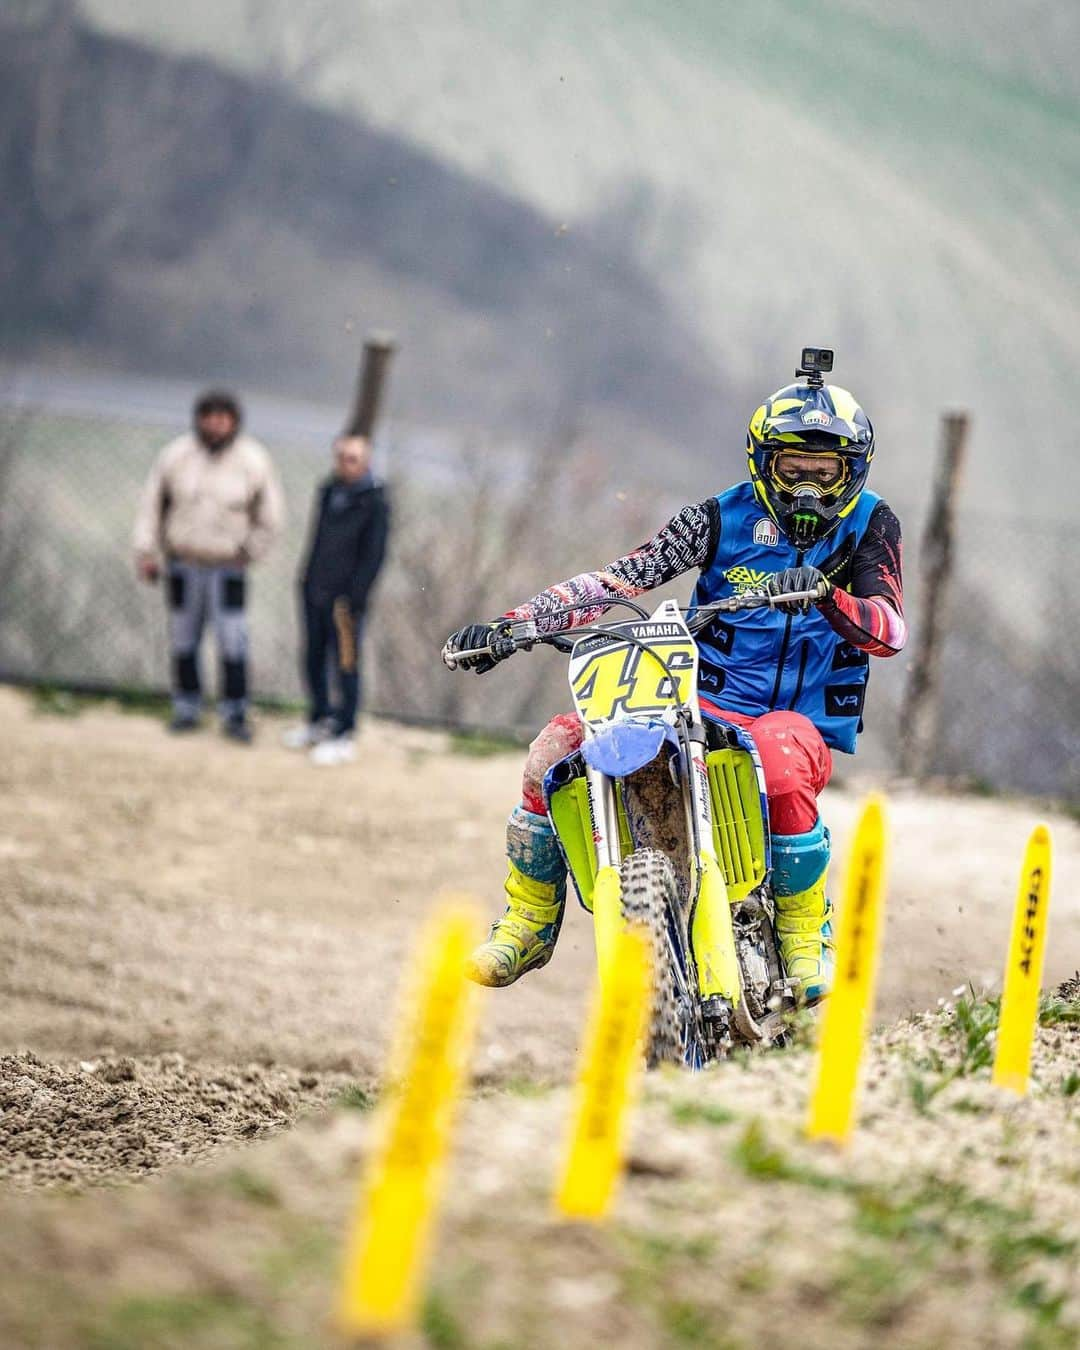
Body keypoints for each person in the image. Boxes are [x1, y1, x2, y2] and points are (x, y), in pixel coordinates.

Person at [444, 362, 905, 1003]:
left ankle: (805, 939)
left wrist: (829, 597)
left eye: (823, 471)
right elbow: (617, 582)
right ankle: (527, 920)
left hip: (796, 721)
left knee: (776, 756)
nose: (808, 487)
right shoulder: (717, 519)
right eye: (791, 469)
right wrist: (512, 624)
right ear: (762, 464)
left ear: (852, 469)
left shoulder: (871, 526)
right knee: (557, 746)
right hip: (700, 702)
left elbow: (889, 629)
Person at [133, 389, 284, 741]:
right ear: (199, 419)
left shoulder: (253, 461)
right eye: (209, 418)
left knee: (233, 641)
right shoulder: (176, 456)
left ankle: (235, 712)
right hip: (182, 564)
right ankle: (187, 706)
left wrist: (249, 553)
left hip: (228, 567)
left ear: (233, 422)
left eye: (222, 419)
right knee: (183, 638)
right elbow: (150, 507)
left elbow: (271, 518)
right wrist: (146, 553)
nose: (215, 426)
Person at [283, 434, 390, 766]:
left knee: (345, 663)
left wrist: (355, 595)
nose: (347, 463)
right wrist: (306, 578)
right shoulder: (329, 491)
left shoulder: (375, 502)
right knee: (312, 657)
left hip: (346, 600)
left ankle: (344, 731)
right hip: (314, 589)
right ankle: (318, 718)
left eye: (354, 458)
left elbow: (374, 555)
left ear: (366, 461)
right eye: (342, 456)